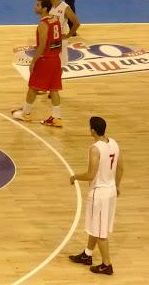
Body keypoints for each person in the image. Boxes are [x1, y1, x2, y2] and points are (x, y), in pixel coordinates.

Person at [68, 117, 123, 276]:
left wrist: (75, 177)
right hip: (111, 190)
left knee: (100, 232)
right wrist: (117, 185)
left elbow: (91, 174)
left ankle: (107, 264)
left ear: (92, 130)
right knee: (96, 225)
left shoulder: (95, 148)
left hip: (100, 193)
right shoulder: (113, 143)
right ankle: (87, 254)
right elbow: (121, 167)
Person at [11, 0, 63, 127]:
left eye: (38, 5)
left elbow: (43, 44)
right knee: (54, 88)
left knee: (33, 87)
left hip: (46, 59)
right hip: (56, 58)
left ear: (44, 8)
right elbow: (57, 38)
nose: (35, 7)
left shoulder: (43, 24)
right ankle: (57, 117)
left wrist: (33, 61)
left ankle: (26, 113)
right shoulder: (56, 19)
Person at [47, 0, 80, 67]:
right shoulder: (48, 5)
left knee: (61, 64)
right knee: (50, 62)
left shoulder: (65, 7)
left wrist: (68, 35)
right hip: (50, 38)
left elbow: (76, 23)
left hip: (60, 39)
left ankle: (58, 79)